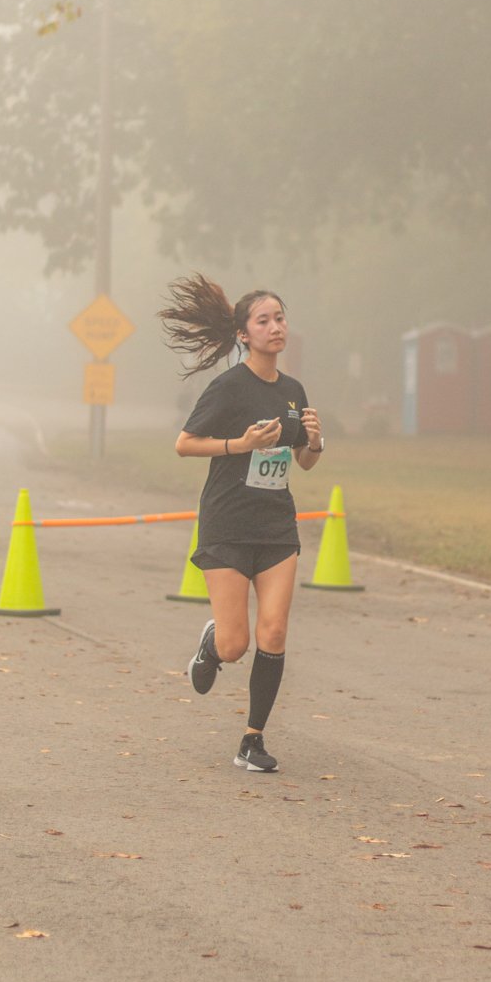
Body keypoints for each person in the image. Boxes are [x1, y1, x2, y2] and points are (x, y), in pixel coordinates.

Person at [159, 275, 324, 774]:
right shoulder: (228, 388)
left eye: (280, 318)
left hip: (276, 527)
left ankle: (252, 740)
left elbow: (305, 463)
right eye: (264, 320)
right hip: (227, 524)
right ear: (244, 335)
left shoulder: (293, 390)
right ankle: (212, 643)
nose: (276, 327)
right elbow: (184, 443)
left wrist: (314, 441)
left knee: (273, 631)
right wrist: (239, 445)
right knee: (238, 644)